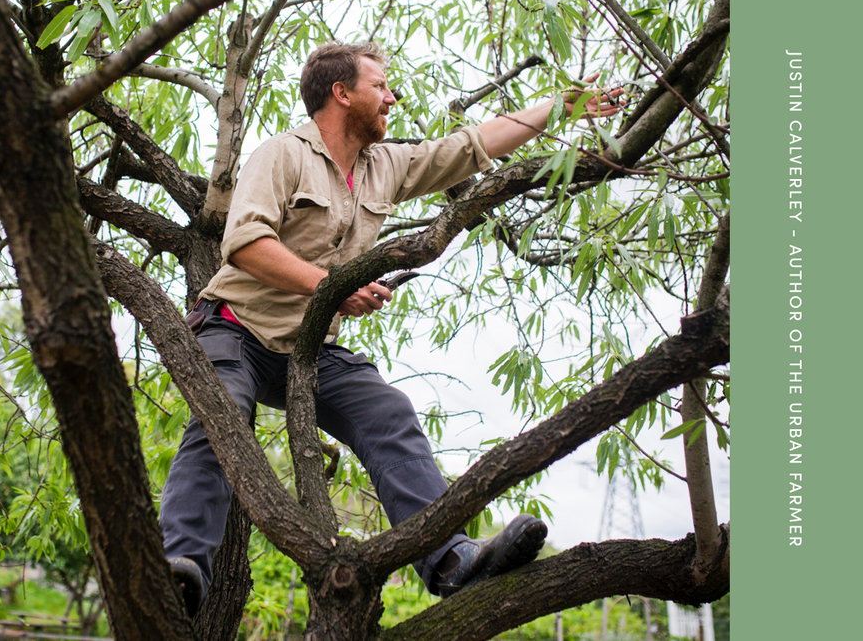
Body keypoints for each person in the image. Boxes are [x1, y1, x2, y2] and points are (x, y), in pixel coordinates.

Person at [159, 42, 624, 616]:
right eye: (382, 86)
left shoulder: (385, 166)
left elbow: (470, 146)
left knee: (389, 413)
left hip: (306, 350)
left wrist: (557, 107)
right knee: (222, 413)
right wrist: (332, 287)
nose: (392, 96)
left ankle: (450, 559)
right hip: (233, 328)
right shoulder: (281, 154)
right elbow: (245, 244)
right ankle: (178, 569)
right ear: (342, 93)